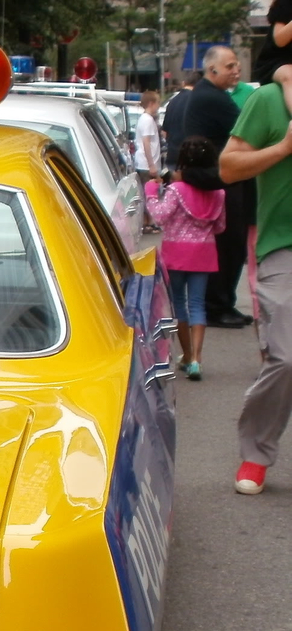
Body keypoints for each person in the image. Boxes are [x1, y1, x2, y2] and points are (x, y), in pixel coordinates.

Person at [220, 82, 292, 493]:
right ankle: (256, 453)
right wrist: (283, 148)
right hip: (284, 246)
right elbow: (228, 167)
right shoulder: (269, 100)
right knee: (285, 357)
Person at [146, 136, 226, 380]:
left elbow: (160, 216)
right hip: (204, 252)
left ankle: (187, 355)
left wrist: (151, 193)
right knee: (198, 304)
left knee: (179, 304)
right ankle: (197, 360)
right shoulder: (219, 193)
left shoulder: (176, 190)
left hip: (176, 253)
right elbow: (220, 226)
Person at [185, 46, 252, 328]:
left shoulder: (207, 94)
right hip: (219, 177)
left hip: (215, 175)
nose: (236, 71)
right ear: (212, 70)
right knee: (230, 244)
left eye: (237, 65)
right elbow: (247, 129)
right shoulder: (213, 98)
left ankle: (222, 302)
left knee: (230, 245)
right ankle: (218, 305)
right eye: (230, 66)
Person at [163, 77, 198, 166]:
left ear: (184, 83)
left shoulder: (172, 101)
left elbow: (164, 132)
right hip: (190, 155)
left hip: (172, 154)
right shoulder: (196, 100)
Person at [134, 89, 162, 183]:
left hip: (146, 165)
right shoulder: (148, 120)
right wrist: (151, 165)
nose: (158, 106)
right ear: (151, 103)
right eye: (157, 103)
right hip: (147, 166)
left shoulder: (145, 118)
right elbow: (146, 142)